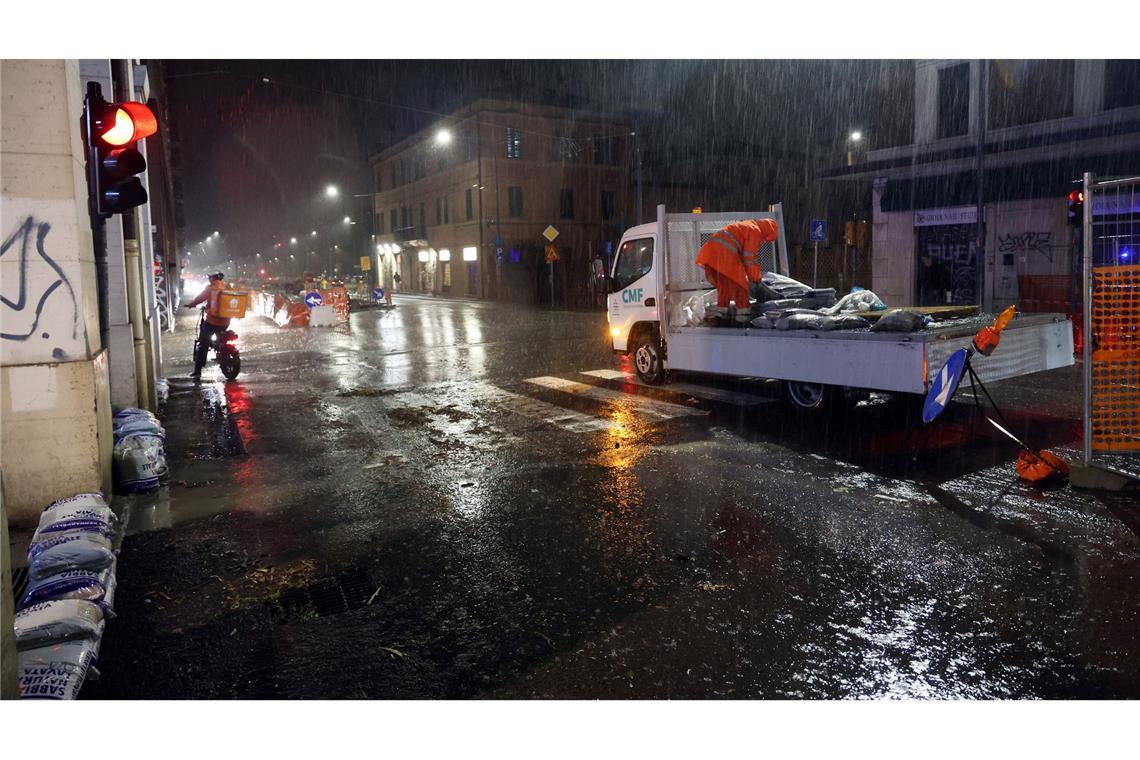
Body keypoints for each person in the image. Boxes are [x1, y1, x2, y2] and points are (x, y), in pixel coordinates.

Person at [695, 219, 780, 308]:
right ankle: (743, 317)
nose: (763, 240)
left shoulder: (745, 226)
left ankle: (722, 316)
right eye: (765, 238)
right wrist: (756, 279)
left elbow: (743, 257)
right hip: (724, 255)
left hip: (708, 255)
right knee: (741, 287)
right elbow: (750, 259)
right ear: (768, 230)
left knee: (725, 288)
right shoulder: (755, 231)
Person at [186, 271, 230, 378]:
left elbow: (200, 298)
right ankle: (222, 352)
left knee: (203, 343)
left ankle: (197, 371)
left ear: (212, 279)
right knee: (222, 339)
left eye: (209, 278)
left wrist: (191, 304)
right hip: (225, 322)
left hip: (212, 321)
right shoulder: (227, 288)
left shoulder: (211, 288)